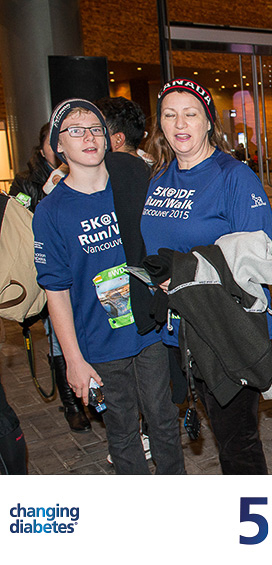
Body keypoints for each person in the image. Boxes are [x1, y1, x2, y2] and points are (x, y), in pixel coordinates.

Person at [33, 99, 185, 474]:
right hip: (100, 342)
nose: (88, 137)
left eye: (95, 129)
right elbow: (56, 291)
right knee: (122, 432)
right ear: (58, 145)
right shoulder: (52, 211)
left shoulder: (134, 183)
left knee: (164, 419)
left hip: (148, 327)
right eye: (75, 131)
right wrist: (73, 360)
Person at [141, 78, 272, 475]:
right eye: (170, 115)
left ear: (208, 122)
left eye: (190, 114)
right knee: (213, 431)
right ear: (160, 124)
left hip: (225, 328)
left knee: (237, 443)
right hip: (176, 329)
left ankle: (253, 513)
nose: (180, 123)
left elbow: (259, 257)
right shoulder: (159, 177)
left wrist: (186, 274)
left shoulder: (233, 176)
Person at [10, 123, 90, 432]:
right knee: (58, 334)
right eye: (52, 140)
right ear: (44, 146)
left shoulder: (81, 171)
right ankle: (71, 404)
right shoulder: (26, 180)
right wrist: (47, 196)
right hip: (48, 266)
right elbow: (19, 227)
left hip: (80, 264)